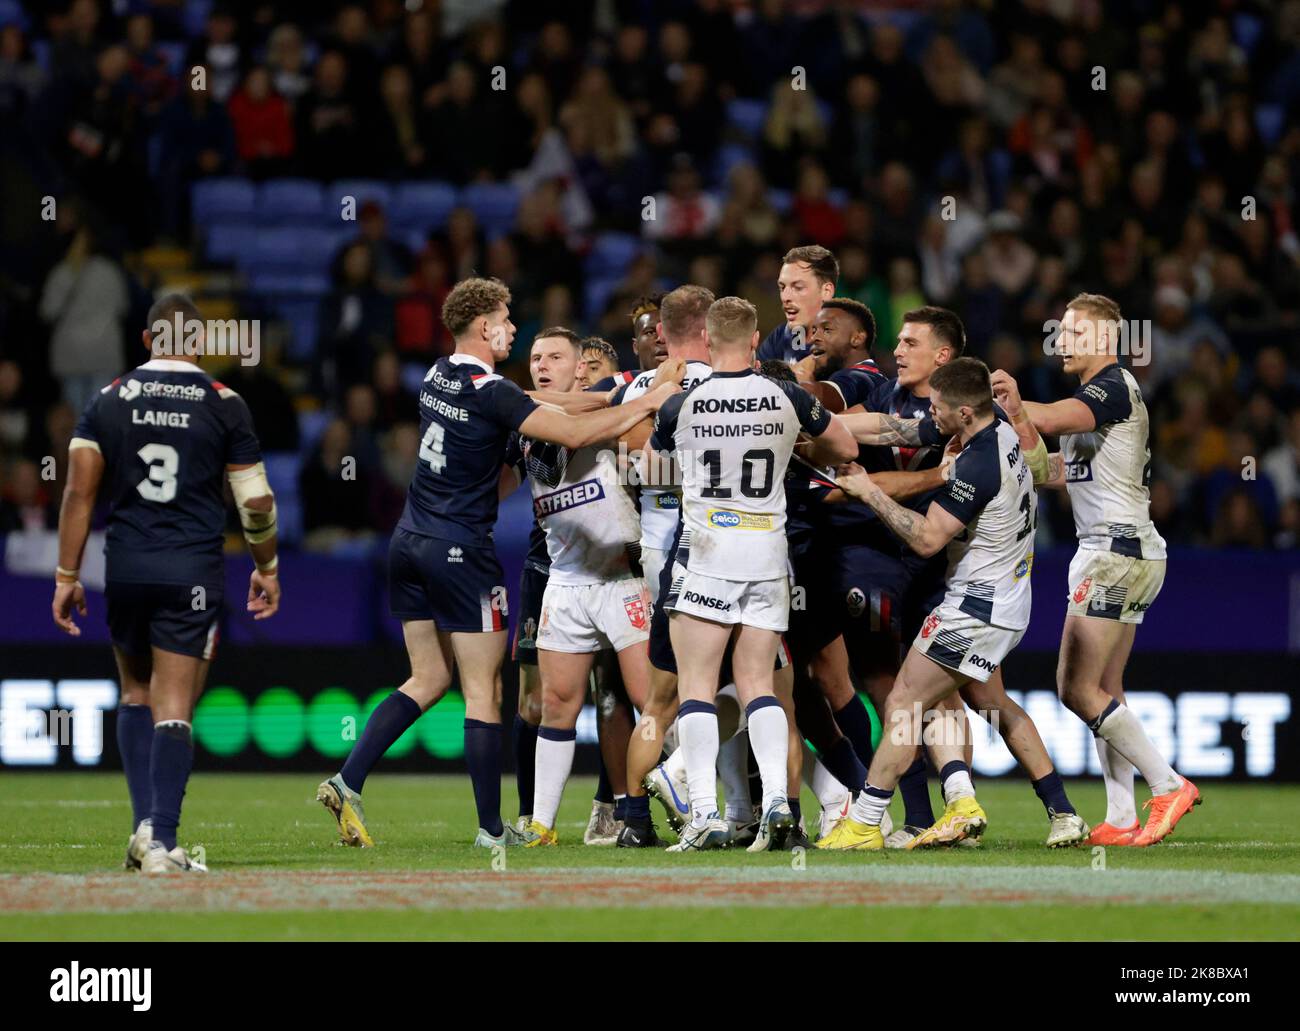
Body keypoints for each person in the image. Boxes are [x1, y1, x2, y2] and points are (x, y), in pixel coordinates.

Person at [316, 277, 681, 848]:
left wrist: (613, 397)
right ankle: (492, 830)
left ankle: (347, 779)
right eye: (509, 321)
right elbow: (571, 428)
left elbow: (551, 406)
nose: (514, 329)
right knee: (484, 690)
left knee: (427, 677)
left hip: (407, 541)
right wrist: (651, 400)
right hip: (461, 550)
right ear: (485, 326)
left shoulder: (439, 374)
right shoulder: (492, 392)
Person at [52, 294, 281, 874]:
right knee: (174, 703)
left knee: (135, 693)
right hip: (191, 573)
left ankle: (142, 831)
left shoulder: (107, 399)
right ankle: (163, 843)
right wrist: (267, 565)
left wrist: (67, 575)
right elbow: (255, 500)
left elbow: (78, 492)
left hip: (124, 568)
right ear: (198, 343)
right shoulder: (224, 403)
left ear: (150, 341)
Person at [991, 292, 1200, 847]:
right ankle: (1121, 815)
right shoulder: (1095, 401)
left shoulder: (1111, 386)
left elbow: (1054, 416)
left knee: (1074, 686)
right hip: (1125, 552)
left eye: (1075, 333)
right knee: (1107, 686)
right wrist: (1023, 445)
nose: (1063, 341)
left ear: (1105, 340)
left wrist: (1010, 406)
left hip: (1114, 553)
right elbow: (1057, 471)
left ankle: (1169, 784)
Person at [652, 296, 856, 851]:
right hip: (768, 555)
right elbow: (846, 444)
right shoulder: (786, 394)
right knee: (759, 686)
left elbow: (659, 455)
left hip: (708, 552)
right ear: (756, 337)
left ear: (706, 340)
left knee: (696, 688)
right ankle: (775, 807)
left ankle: (702, 816)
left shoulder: (680, 403)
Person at [818, 358, 1034, 850]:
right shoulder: (997, 430)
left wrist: (870, 492)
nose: (929, 416)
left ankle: (866, 823)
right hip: (1001, 600)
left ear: (962, 413)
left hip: (977, 605)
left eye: (937, 408)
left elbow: (927, 540)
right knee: (940, 702)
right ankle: (969, 805)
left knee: (903, 703)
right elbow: (892, 427)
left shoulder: (976, 463)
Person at [510, 332, 658, 847]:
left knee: (648, 702)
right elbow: (558, 447)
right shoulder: (524, 416)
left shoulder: (617, 407)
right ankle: (542, 826)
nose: (541, 365)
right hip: (566, 581)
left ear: (579, 369)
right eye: (534, 357)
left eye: (555, 357)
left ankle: (683, 802)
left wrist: (628, 401)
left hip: (623, 579)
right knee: (557, 704)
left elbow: (637, 433)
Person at [754, 245, 838, 363]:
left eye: (798, 287)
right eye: (782, 287)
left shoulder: (846, 342)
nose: (785, 297)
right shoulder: (781, 336)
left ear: (826, 291)